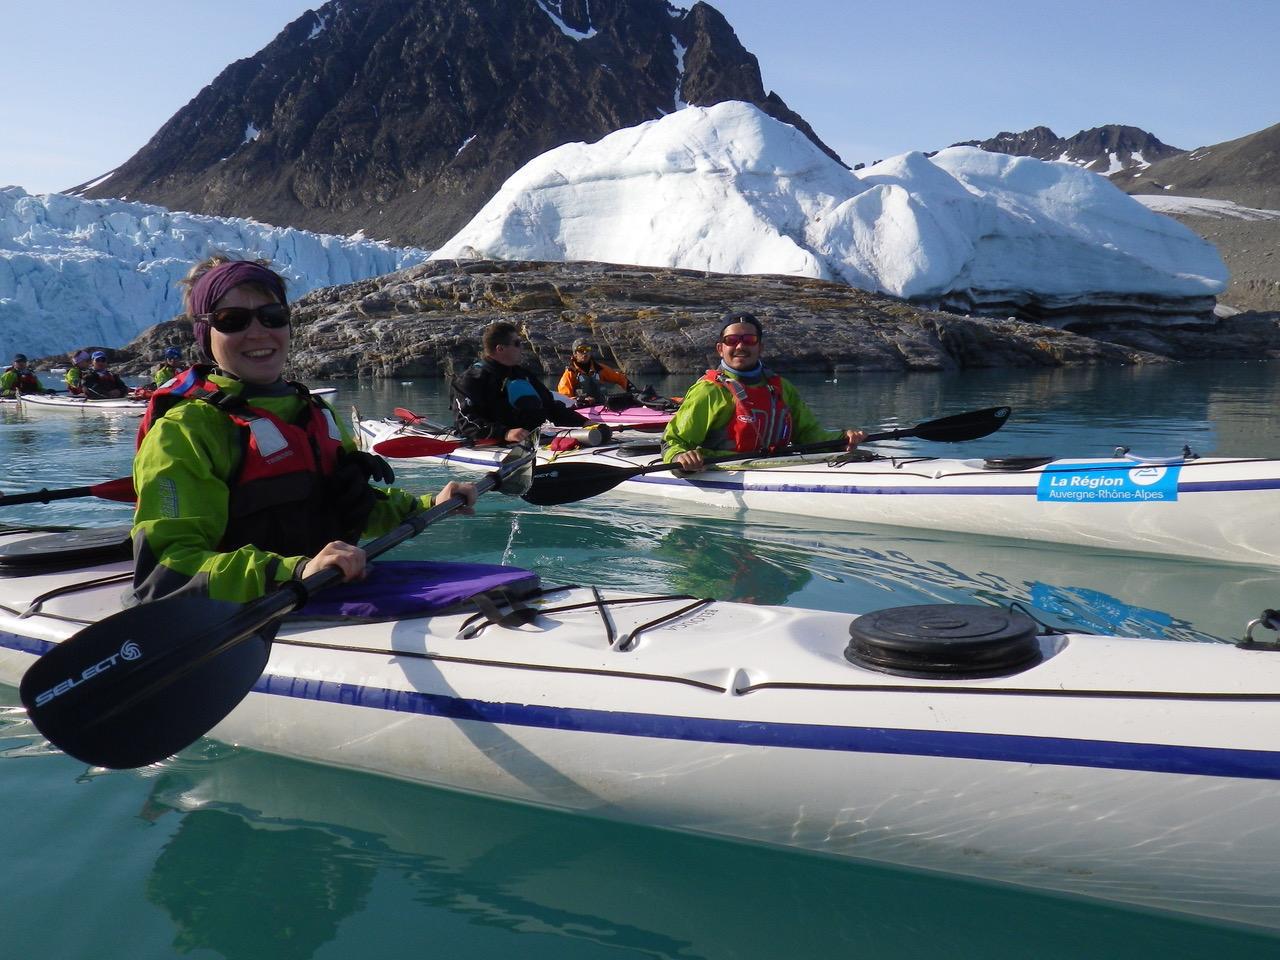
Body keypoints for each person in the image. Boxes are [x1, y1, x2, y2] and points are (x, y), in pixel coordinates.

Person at [131, 255, 477, 605]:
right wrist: (295, 572)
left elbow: (348, 507)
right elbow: (167, 569)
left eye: (272, 316)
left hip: (328, 591)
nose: (257, 332)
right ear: (206, 334)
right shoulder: (185, 431)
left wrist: (429, 503)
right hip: (250, 613)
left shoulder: (314, 412)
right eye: (231, 320)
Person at [662, 312, 866, 471]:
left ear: (760, 347)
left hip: (776, 467)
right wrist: (680, 456)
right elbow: (674, 441)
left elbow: (808, 435)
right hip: (723, 470)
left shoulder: (782, 388)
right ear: (720, 348)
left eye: (749, 339)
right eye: (732, 340)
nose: (740, 346)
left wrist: (842, 438)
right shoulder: (709, 391)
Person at [452, 320, 590, 444]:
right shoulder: (471, 380)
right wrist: (505, 433)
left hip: (530, 440)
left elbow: (551, 407)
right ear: (500, 349)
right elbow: (465, 421)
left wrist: (585, 422)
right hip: (493, 442)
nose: (522, 348)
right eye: (517, 343)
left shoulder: (523, 375)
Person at [556, 337, 633, 404]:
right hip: (582, 411)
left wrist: (633, 391)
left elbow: (620, 378)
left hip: (603, 408)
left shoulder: (599, 368)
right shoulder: (570, 373)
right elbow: (564, 399)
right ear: (575, 354)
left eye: (587, 349)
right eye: (581, 350)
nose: (585, 352)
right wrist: (582, 400)